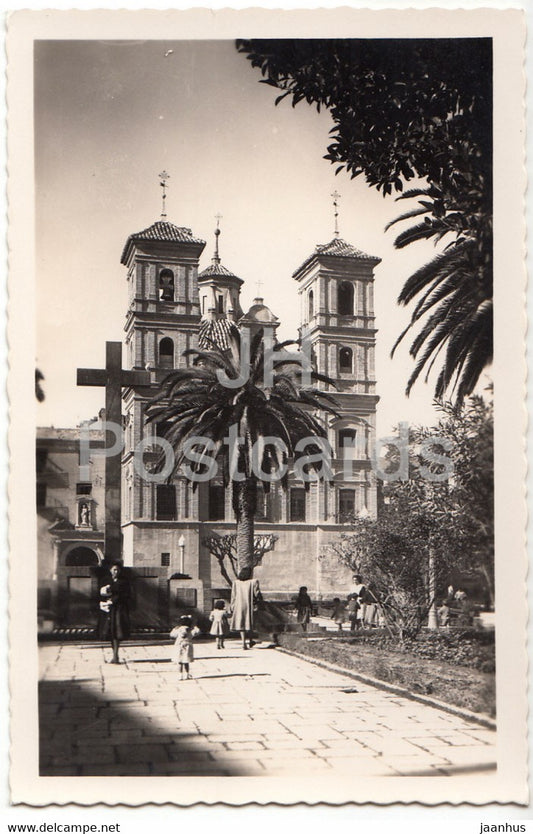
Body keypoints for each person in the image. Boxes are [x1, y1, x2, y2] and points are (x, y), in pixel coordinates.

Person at [98, 562, 131, 664]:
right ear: (110, 570)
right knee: (111, 632)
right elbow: (101, 593)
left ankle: (116, 656)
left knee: (117, 631)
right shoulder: (107, 581)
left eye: (117, 570)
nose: (115, 572)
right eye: (114, 570)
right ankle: (114, 655)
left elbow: (125, 595)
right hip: (108, 609)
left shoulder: (123, 582)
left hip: (119, 609)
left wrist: (113, 600)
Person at [230, 567, 261, 649]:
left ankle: (243, 642)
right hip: (249, 604)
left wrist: (232, 605)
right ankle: (250, 640)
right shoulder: (254, 582)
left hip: (238, 605)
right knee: (249, 623)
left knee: (241, 623)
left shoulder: (236, 583)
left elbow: (233, 595)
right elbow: (257, 594)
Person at [170, 615, 201, 680]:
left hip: (179, 645)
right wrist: (194, 625)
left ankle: (180, 675)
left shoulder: (178, 629)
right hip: (188, 645)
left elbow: (172, 635)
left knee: (179, 661)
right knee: (186, 661)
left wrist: (175, 629)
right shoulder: (191, 629)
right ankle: (187, 674)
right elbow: (198, 632)